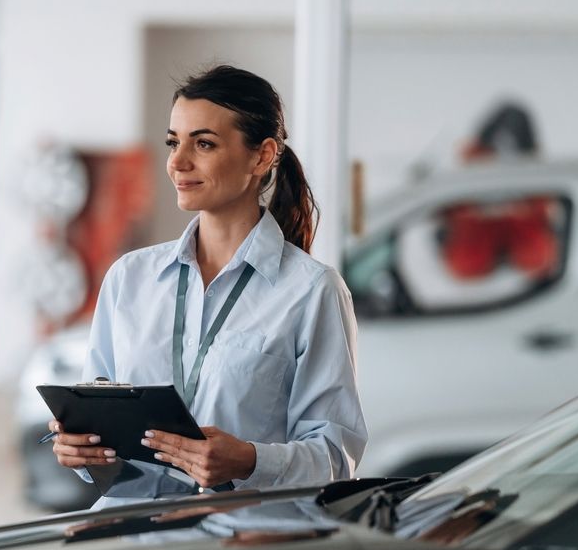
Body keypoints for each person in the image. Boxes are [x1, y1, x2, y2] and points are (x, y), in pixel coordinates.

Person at [48, 65, 367, 509]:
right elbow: (98, 419)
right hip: (129, 538)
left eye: (204, 143)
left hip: (237, 546)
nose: (178, 162)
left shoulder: (312, 291)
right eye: (173, 142)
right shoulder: (129, 278)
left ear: (262, 156)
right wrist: (78, 450)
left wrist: (250, 461)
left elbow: (336, 457)